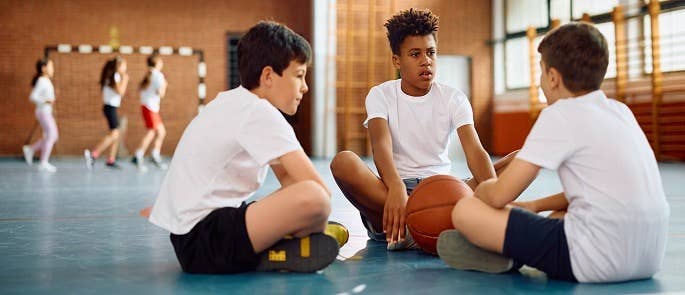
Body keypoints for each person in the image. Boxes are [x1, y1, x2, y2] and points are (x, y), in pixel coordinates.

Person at [437, 22, 670, 283]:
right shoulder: (620, 111)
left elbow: (500, 195)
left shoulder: (559, 114)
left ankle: (508, 251)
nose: (540, 83)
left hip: (595, 261)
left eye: (540, 73)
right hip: (647, 258)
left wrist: (481, 190)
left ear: (553, 77)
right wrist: (535, 206)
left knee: (465, 210)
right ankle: (515, 249)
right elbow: (604, 190)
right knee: (559, 216)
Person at [147, 21, 344, 274]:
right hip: (208, 239)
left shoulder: (233, 101)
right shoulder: (258, 112)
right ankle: (273, 247)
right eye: (299, 75)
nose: (305, 87)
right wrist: (313, 221)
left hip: (190, 241)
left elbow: (288, 178)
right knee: (315, 201)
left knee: (305, 201)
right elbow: (320, 192)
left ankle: (271, 249)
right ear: (269, 76)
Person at [330, 8, 515, 250]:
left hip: (445, 190)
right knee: (343, 162)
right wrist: (396, 186)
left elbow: (475, 152)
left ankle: (421, 229)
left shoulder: (453, 98)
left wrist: (493, 198)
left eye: (431, 53)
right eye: (415, 54)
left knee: (520, 160)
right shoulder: (381, 95)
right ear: (397, 60)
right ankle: (431, 227)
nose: (425, 61)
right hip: (393, 191)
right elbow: (380, 146)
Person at [84, 56, 130, 169]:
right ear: (118, 66)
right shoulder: (115, 76)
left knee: (116, 134)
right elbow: (121, 92)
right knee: (114, 134)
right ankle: (93, 154)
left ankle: (111, 159)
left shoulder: (112, 76)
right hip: (110, 108)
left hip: (110, 107)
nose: (125, 68)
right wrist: (125, 80)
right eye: (124, 66)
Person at [23, 58, 59, 173]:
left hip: (46, 112)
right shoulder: (42, 80)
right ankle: (43, 162)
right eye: (50, 66)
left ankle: (30, 149)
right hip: (43, 112)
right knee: (52, 135)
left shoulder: (46, 80)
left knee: (51, 136)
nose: (52, 69)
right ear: (43, 68)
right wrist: (46, 101)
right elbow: (32, 97)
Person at [132, 54, 167, 170]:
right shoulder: (158, 75)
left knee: (161, 132)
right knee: (152, 132)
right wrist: (165, 86)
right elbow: (161, 94)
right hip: (150, 108)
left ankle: (154, 155)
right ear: (157, 63)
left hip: (149, 107)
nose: (162, 64)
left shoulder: (150, 74)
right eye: (161, 62)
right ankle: (138, 155)